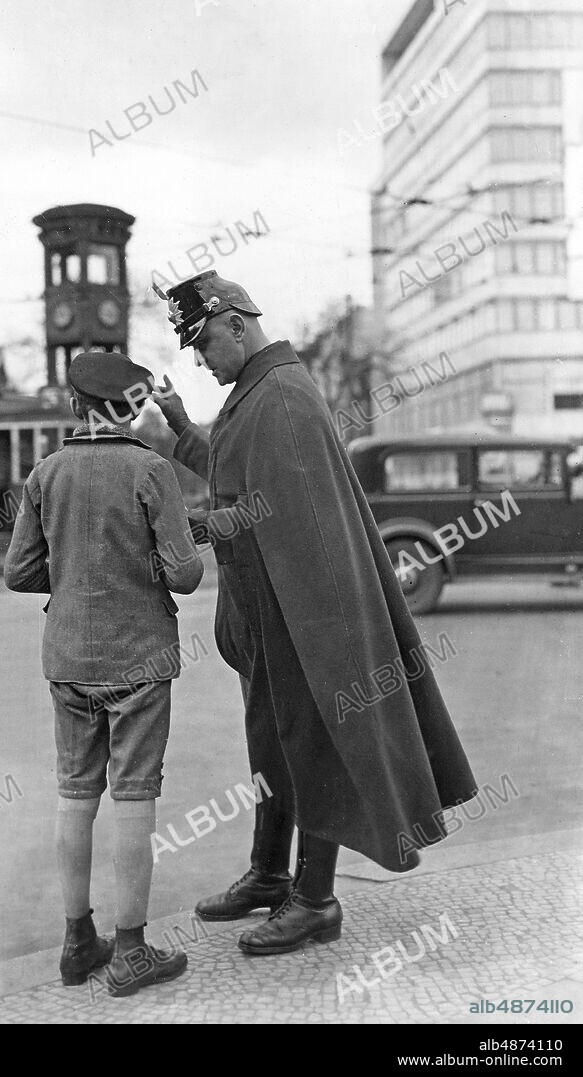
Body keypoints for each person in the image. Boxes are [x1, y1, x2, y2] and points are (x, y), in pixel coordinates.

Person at [151, 271, 478, 956]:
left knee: (314, 748)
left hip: (306, 620)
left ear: (237, 323)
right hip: (270, 615)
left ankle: (314, 898)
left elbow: (288, 518)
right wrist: (181, 427)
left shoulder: (283, 397)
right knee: (273, 747)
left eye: (204, 343)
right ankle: (270, 873)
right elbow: (235, 465)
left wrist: (199, 522)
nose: (201, 359)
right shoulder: (258, 394)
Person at [4, 351, 203, 995]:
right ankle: (132, 951)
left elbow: (19, 573)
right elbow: (185, 575)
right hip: (139, 659)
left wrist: (70, 576)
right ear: (131, 409)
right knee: (135, 796)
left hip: (67, 660)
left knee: (75, 795)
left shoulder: (45, 474)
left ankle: (76, 942)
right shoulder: (151, 468)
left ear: (75, 407)